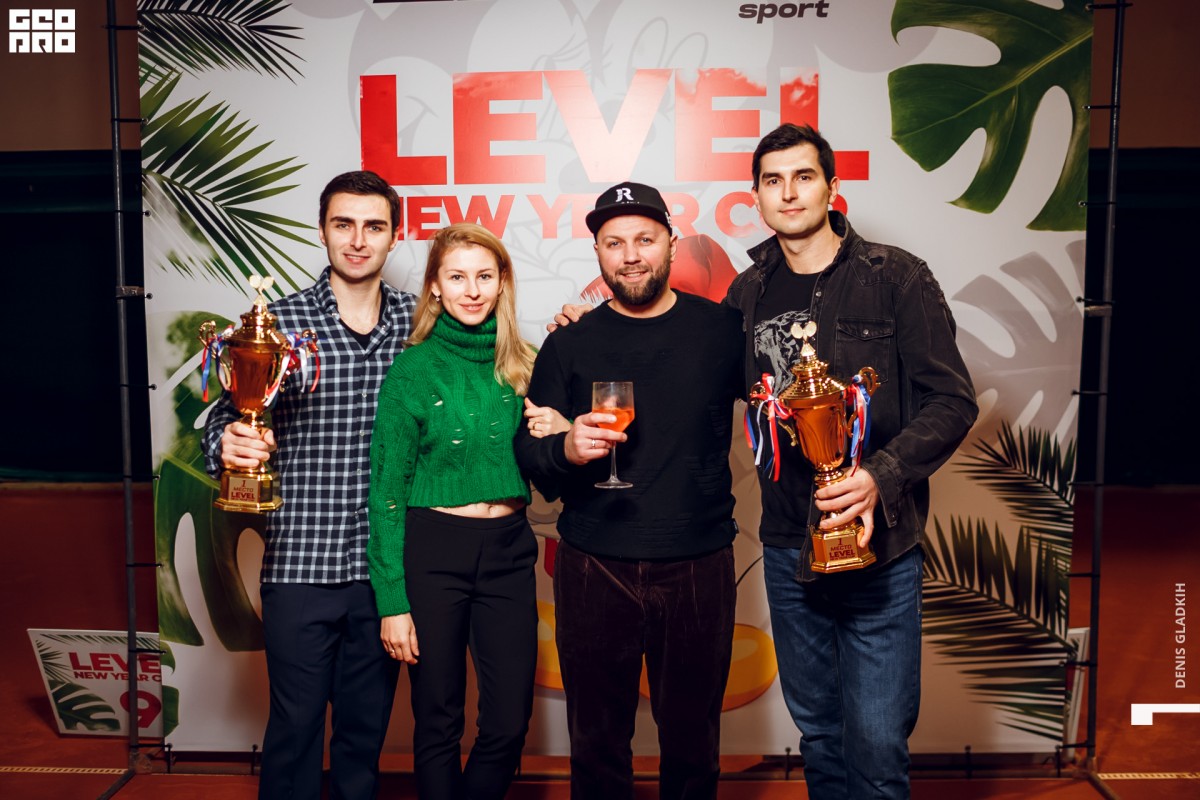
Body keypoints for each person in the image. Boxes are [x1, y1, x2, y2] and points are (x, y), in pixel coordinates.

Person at [724, 124, 978, 799]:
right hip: (788, 544)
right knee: (820, 736)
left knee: (877, 742)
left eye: (803, 176)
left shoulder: (896, 277)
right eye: (773, 180)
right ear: (757, 197)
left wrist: (877, 478)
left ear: (832, 188)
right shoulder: (745, 294)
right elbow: (689, 377)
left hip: (880, 546)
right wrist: (589, 329)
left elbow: (953, 401)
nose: (789, 192)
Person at [515, 182, 745, 800]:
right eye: (614, 243)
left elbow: (780, 407)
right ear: (597, 252)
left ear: (671, 243)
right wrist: (565, 448)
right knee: (596, 746)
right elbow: (531, 455)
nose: (631, 255)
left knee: (693, 746)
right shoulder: (570, 341)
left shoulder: (723, 330)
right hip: (594, 564)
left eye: (645, 239)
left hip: (698, 562)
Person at [203, 170, 415, 800]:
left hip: (385, 570)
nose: (358, 240)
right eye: (343, 224)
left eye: (374, 226)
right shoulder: (276, 324)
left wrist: (569, 329)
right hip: (300, 563)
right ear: (322, 231)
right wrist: (227, 443)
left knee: (363, 737)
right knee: (294, 733)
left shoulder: (420, 325)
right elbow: (222, 419)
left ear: (395, 236)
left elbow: (497, 359)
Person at [368, 223, 567, 800]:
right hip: (432, 549)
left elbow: (553, 464)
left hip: (509, 550)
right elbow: (385, 492)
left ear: (503, 282)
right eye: (457, 277)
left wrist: (559, 430)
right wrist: (392, 602)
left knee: (508, 721)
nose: (472, 290)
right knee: (438, 718)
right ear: (435, 286)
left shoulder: (526, 364)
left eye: (484, 276)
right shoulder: (412, 370)